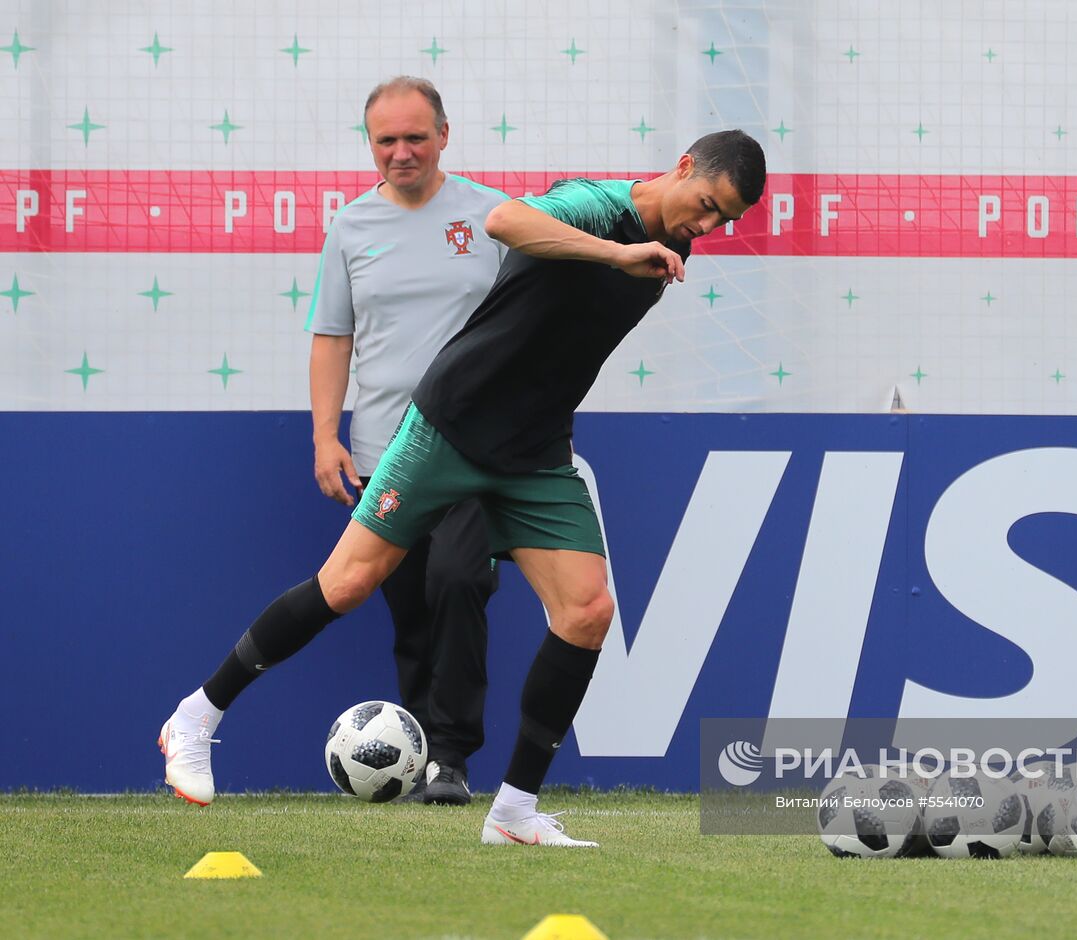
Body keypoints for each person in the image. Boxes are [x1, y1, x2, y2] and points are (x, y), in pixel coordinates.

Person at [159, 128, 767, 847]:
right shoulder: (599, 207)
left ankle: (513, 813)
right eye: (705, 204)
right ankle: (197, 715)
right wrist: (615, 252)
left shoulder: (677, 245)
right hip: (451, 425)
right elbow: (504, 220)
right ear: (683, 166)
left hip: (535, 452)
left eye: (722, 221)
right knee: (347, 584)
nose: (706, 225)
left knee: (587, 612)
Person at [305, 76, 505, 805]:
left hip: (475, 452)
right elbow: (333, 337)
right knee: (412, 605)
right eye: (385, 140)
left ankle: (451, 755)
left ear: (444, 136)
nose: (400, 152)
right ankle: (420, 754)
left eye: (414, 137)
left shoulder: (492, 216)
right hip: (386, 451)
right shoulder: (351, 228)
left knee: (460, 579)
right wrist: (327, 435)